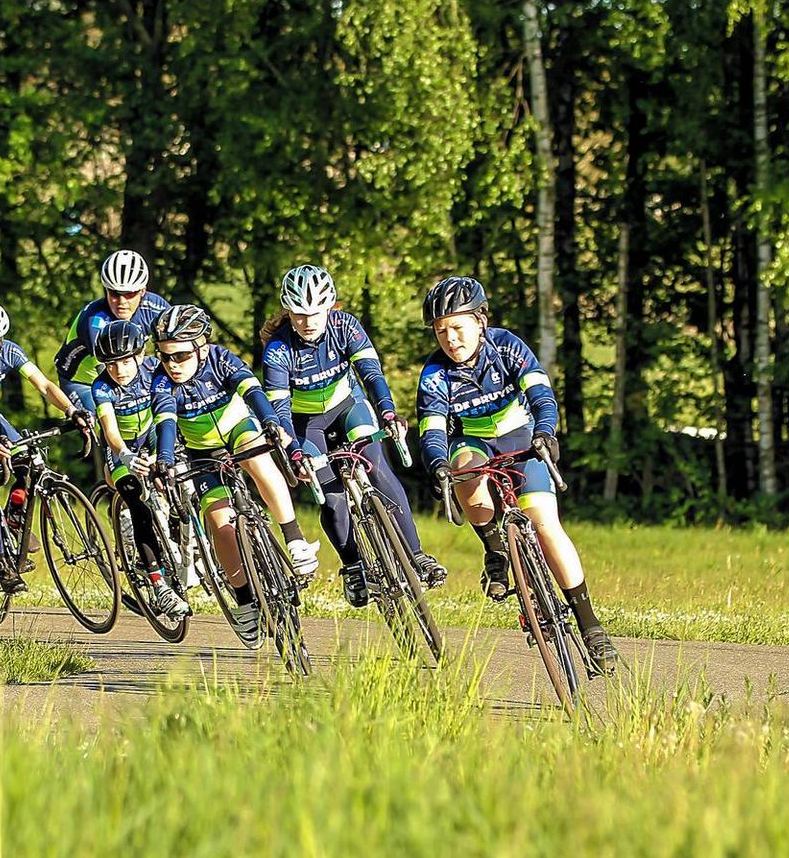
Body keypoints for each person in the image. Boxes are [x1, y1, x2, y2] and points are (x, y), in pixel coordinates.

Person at [416, 276, 618, 669]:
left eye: (457, 327)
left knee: (545, 524)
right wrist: (437, 460)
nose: (450, 339)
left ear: (480, 321)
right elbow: (433, 427)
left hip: (519, 438)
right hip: (472, 442)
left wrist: (545, 432)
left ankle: (591, 626)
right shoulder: (435, 373)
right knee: (464, 470)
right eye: (441, 332)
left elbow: (541, 393)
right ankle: (495, 549)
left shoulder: (507, 346)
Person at [261, 263, 447, 608]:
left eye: (316, 312)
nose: (308, 321)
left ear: (330, 306)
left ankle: (416, 553)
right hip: (306, 426)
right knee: (332, 498)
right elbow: (280, 411)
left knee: (377, 466)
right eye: (299, 315)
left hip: (349, 408)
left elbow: (371, 374)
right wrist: (293, 451)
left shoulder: (346, 326)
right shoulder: (277, 349)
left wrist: (388, 410)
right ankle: (353, 566)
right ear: (289, 311)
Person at [151, 303, 318, 646]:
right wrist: (165, 457)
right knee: (220, 524)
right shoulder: (161, 380)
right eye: (165, 357)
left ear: (201, 347)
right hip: (200, 451)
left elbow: (253, 391)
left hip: (238, 429)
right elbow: (166, 421)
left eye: (180, 356)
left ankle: (295, 539)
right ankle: (244, 602)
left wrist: (270, 421)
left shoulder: (220, 358)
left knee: (259, 463)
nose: (172, 365)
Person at [0, 299, 94, 592]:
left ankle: (13, 515)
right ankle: (2, 563)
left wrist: (71, 411)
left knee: (27, 461)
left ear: (1, 338)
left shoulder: (11, 351)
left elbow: (45, 385)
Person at [68, 317, 190, 621]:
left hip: (151, 433)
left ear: (139, 355)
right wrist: (124, 455)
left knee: (181, 479)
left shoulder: (154, 370)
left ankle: (182, 540)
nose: (118, 370)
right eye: (111, 364)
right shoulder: (102, 387)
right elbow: (109, 429)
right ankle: (157, 582)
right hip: (122, 448)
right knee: (139, 506)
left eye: (124, 361)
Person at [60, 249, 173, 413]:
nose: (121, 302)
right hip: (82, 382)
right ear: (105, 289)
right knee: (106, 423)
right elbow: (109, 377)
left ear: (143, 291)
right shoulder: (95, 321)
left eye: (130, 294)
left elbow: (176, 346)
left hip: (125, 371)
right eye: (114, 293)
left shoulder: (156, 308)